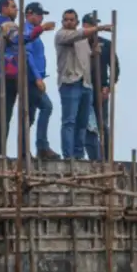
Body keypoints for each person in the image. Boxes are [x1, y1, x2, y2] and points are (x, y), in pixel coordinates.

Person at [0, 0, 54, 157]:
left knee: (1, 114)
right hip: (7, 75)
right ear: (4, 9)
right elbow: (21, 39)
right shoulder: (7, 25)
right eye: (13, 7)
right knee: (5, 115)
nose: (16, 10)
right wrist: (41, 29)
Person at [54, 9, 112, 159]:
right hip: (70, 82)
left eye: (72, 20)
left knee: (82, 123)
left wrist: (94, 53)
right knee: (69, 121)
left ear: (77, 22)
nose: (68, 22)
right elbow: (78, 34)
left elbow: (87, 60)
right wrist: (99, 28)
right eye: (66, 19)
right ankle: (69, 154)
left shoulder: (83, 41)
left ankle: (78, 154)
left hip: (85, 84)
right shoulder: (62, 35)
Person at [22, 2, 60, 160]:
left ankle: (25, 150)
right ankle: (42, 146)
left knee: (28, 116)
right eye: (38, 14)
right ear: (30, 14)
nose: (41, 18)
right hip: (30, 79)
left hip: (34, 78)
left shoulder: (33, 33)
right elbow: (27, 55)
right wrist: (37, 77)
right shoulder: (26, 31)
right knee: (46, 106)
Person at [82, 12, 120, 160]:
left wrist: (108, 86)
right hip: (83, 87)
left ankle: (106, 157)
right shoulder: (79, 43)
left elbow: (115, 66)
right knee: (85, 125)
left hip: (100, 88)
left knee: (102, 124)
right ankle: (93, 156)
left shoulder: (106, 44)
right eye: (91, 25)